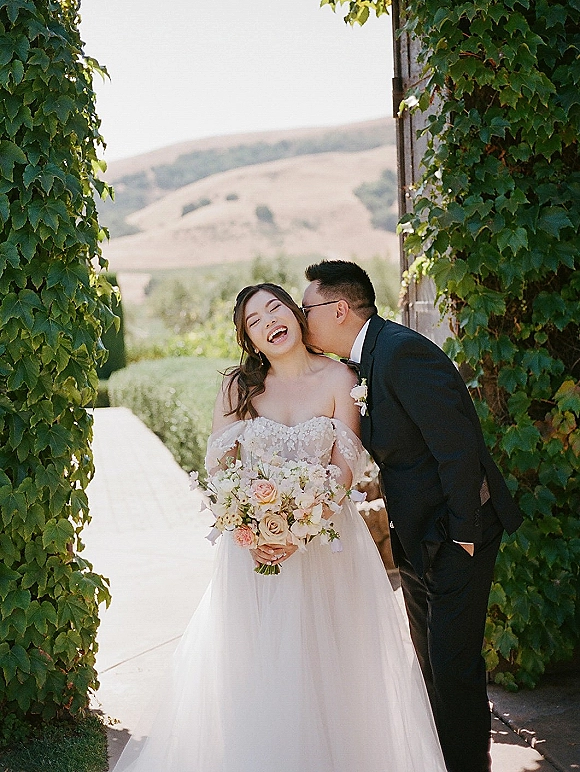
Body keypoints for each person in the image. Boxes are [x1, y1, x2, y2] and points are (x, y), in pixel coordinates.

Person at [113, 282, 447, 772]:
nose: (269, 320)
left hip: (328, 547)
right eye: (254, 320)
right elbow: (220, 468)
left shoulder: (341, 379)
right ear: (249, 339)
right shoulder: (238, 387)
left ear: (294, 313)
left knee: (333, 673)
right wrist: (253, 524)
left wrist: (299, 530)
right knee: (258, 673)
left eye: (276, 307)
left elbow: (345, 464)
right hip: (251, 553)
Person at [302, 260, 523, 772]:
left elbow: (458, 449)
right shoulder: (363, 360)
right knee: (430, 668)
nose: (300, 315)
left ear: (339, 309)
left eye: (306, 307)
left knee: (454, 672)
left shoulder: (402, 354)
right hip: (418, 539)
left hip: (457, 535)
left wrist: (463, 537)